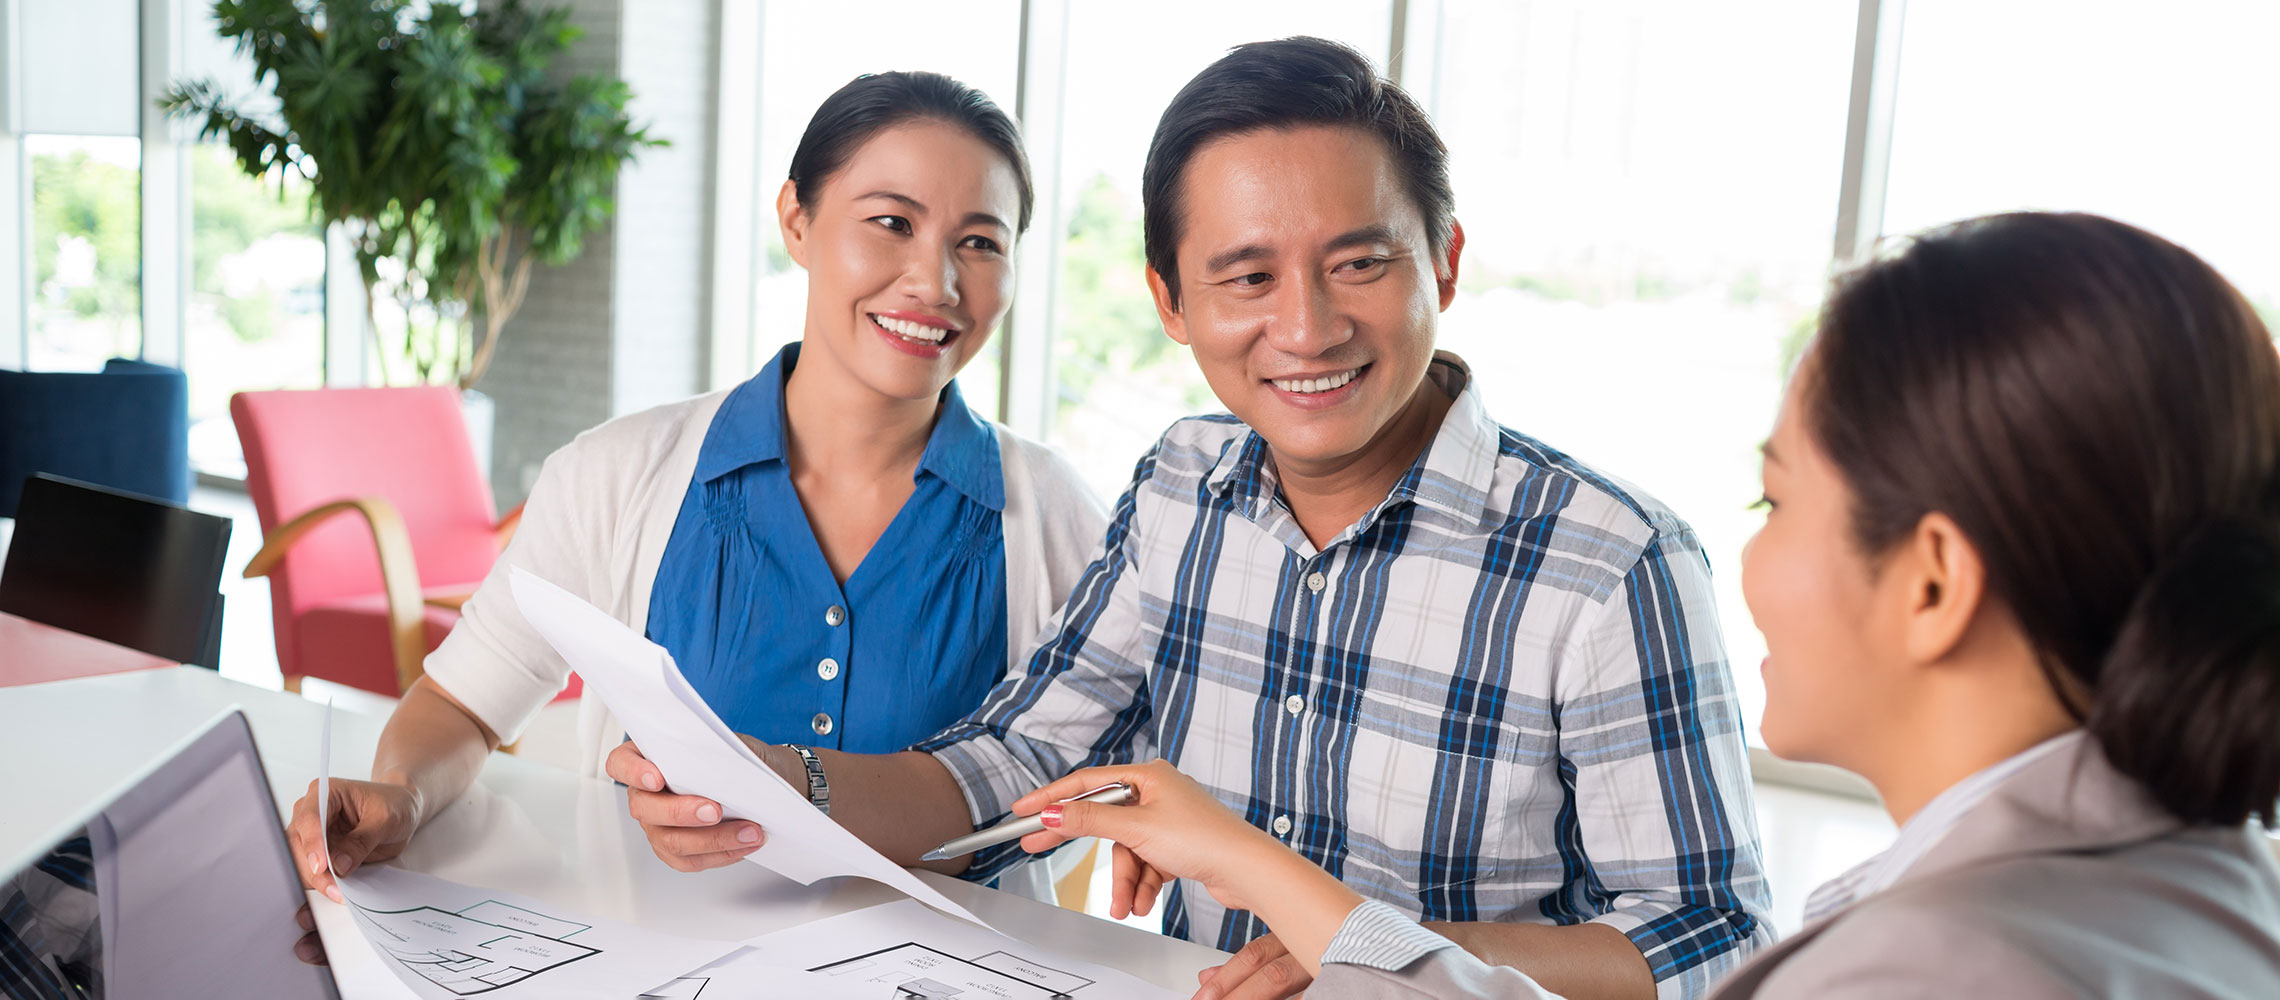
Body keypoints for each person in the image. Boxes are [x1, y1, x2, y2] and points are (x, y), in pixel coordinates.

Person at [605, 38, 1770, 1000]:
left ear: (1444, 263)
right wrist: (771, 783)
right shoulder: (1182, 484)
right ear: (1168, 297)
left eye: (1359, 263)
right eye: (1247, 277)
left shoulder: (1611, 559)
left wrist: (1371, 954)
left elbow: (1714, 943)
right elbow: (1019, 760)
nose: (1307, 330)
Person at [1008, 210, 2280, 998]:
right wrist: (1245, 860)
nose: (1753, 567)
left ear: (1934, 581)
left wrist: (1276, 885)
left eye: (1776, 507)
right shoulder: (2199, 879)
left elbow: (1705, 934)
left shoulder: (1950, 965)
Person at [284, 71, 1108, 911]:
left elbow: (1088, 789)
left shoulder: (1056, 520)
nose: (935, 281)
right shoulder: (617, 475)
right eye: (891, 222)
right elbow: (466, 700)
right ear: (797, 218)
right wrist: (403, 796)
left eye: (980, 242)